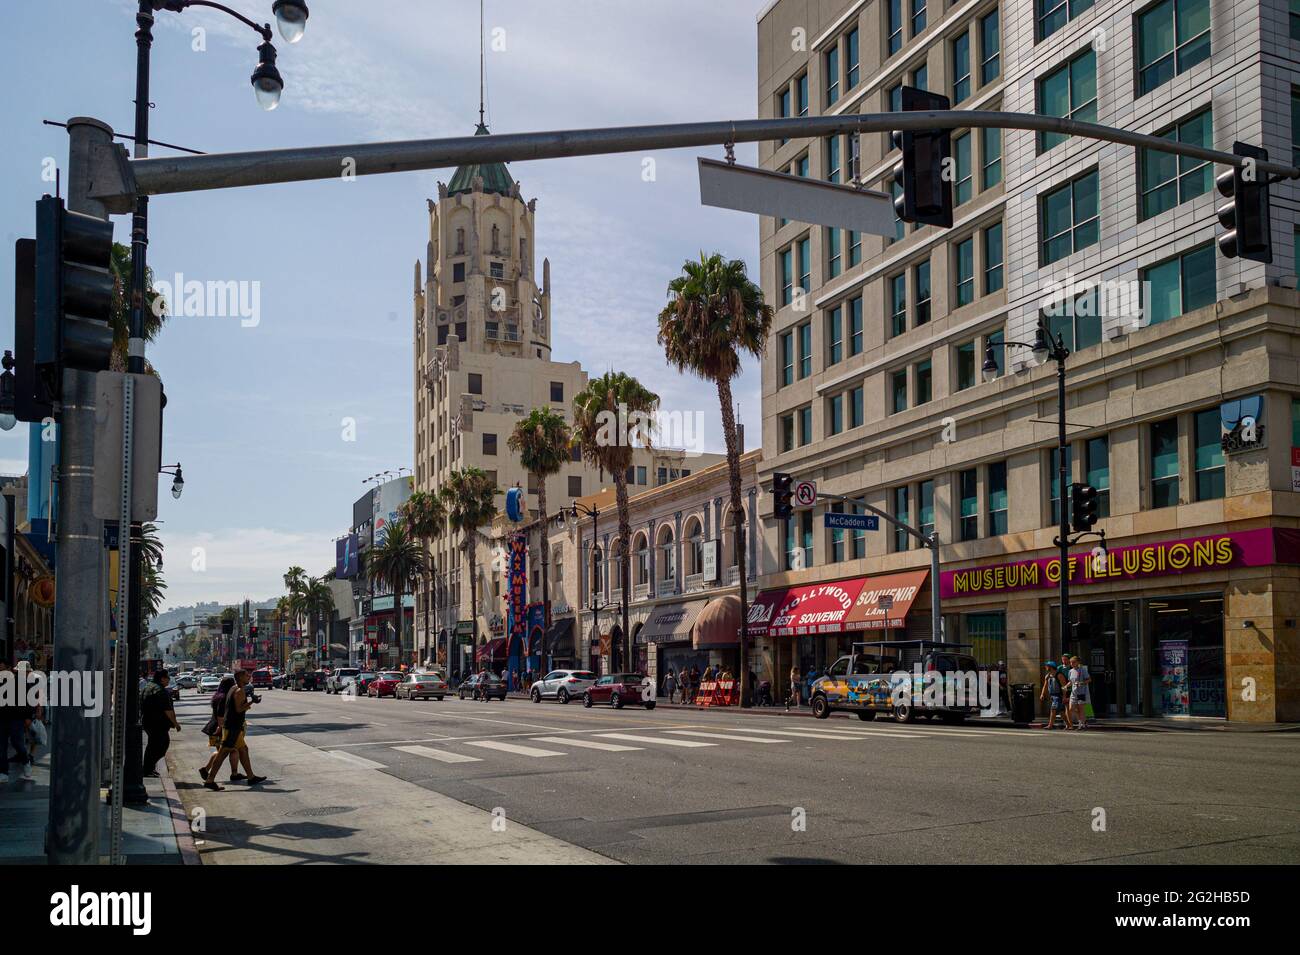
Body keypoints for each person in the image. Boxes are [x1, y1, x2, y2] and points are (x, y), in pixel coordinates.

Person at [208, 670, 266, 788]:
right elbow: (239, 709)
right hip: (233, 727)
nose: (249, 676)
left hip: (233, 726)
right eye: (246, 675)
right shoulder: (240, 691)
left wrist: (249, 698)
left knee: (243, 750)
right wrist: (252, 702)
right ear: (240, 677)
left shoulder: (233, 688)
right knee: (222, 754)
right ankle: (209, 780)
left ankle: (251, 777)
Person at [140, 669, 180, 777]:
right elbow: (168, 710)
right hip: (158, 724)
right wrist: (175, 723)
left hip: (148, 722)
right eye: (167, 678)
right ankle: (147, 769)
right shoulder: (160, 690)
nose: (168, 680)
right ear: (162, 679)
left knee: (153, 745)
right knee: (161, 745)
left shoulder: (148, 687)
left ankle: (149, 768)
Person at [0, 660, 34, 783]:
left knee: (17, 743)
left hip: (16, 718)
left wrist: (28, 717)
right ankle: (3, 772)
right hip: (2, 718)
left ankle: (26, 762)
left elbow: (29, 700)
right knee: (1, 746)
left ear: (10, 669)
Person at [1039, 661, 1066, 729]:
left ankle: (1050, 725)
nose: (1045, 667)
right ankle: (1069, 724)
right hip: (1052, 696)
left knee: (1053, 709)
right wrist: (1042, 694)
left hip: (1058, 696)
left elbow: (1064, 686)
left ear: (1051, 667)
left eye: (1047, 666)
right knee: (1061, 712)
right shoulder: (1047, 676)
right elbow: (1045, 686)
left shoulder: (1059, 675)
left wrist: (1064, 696)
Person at [1067, 655, 1091, 730]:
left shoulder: (1082, 669)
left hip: (1082, 692)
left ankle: (1081, 724)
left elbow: (1089, 680)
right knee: (1071, 708)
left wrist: (1081, 683)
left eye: (1073, 662)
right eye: (1071, 662)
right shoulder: (1070, 671)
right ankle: (1082, 721)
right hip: (1074, 692)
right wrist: (1065, 686)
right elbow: (1070, 682)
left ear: (1078, 662)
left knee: (1081, 709)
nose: (1072, 664)